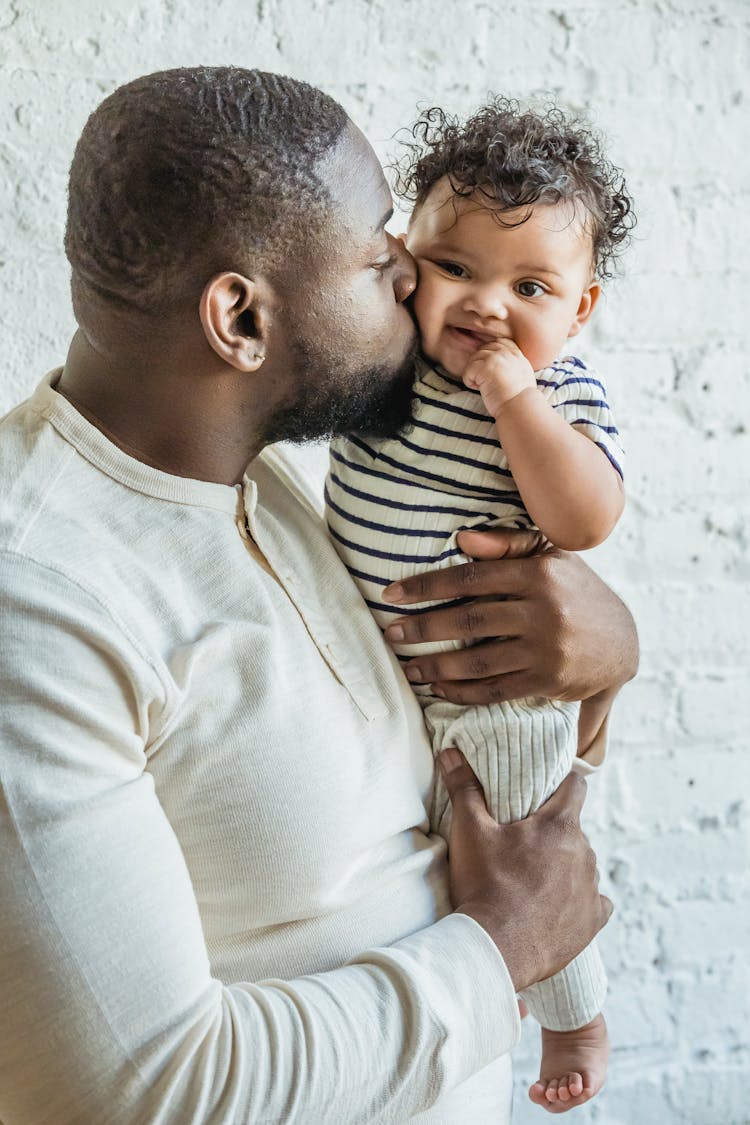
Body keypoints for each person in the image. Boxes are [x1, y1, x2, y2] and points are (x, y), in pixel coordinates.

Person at [0, 68, 636, 1125]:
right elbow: (131, 1091)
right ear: (240, 317)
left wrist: (610, 643)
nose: (413, 282)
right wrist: (509, 943)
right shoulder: (37, 605)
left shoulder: (253, 482)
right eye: (383, 247)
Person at [326, 99, 636, 1112]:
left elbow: (587, 517)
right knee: (432, 865)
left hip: (489, 689)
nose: (487, 305)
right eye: (456, 268)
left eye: (531, 286)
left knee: (511, 844)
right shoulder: (387, 366)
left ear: (579, 310)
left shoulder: (560, 395)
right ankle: (478, 998)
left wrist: (515, 403)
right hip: (392, 675)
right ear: (403, 262)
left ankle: (574, 1013)